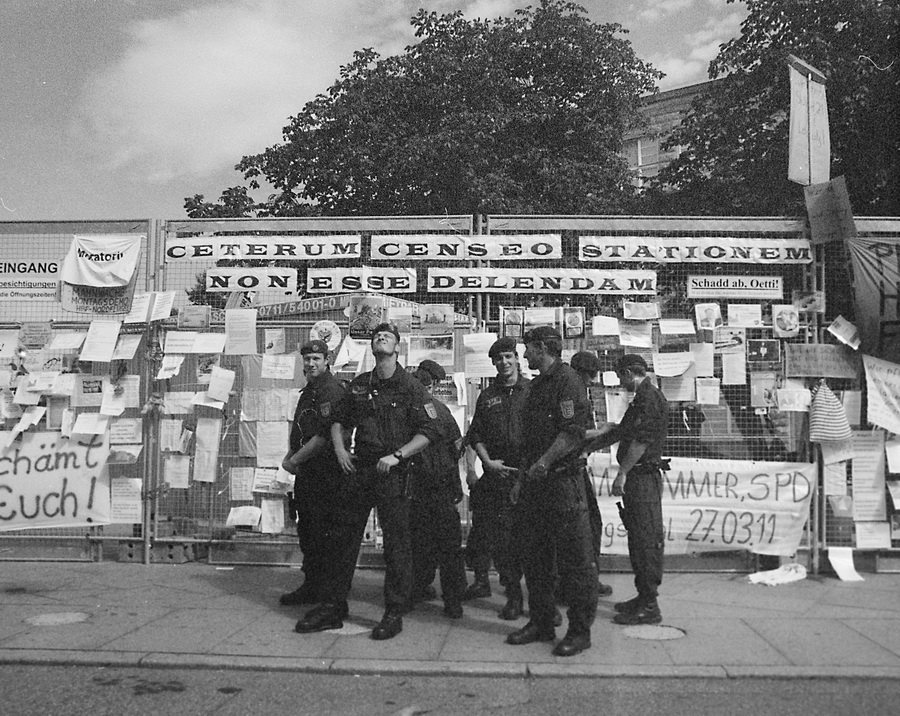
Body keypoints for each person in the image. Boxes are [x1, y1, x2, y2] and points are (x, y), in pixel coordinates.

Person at [294, 323, 440, 640]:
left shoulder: (411, 387)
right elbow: (337, 421)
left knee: (396, 546)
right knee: (342, 539)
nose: (381, 337)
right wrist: (340, 451)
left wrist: (398, 456)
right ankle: (333, 608)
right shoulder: (361, 385)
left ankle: (394, 612)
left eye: (387, 335)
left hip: (394, 471)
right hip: (361, 469)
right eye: (376, 335)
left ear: (397, 347)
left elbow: (429, 432)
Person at [506, 326, 598, 657]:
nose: (525, 354)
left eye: (528, 348)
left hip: (562, 483)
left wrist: (545, 462)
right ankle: (542, 622)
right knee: (535, 557)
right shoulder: (536, 386)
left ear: (543, 348)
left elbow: (572, 434)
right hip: (536, 485)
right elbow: (529, 441)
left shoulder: (567, 380)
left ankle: (579, 631)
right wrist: (521, 479)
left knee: (575, 562)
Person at [590, 354, 669, 625]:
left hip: (642, 477)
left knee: (646, 540)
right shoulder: (644, 398)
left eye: (620, 378)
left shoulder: (648, 399)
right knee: (638, 538)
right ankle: (643, 596)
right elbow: (625, 431)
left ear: (626, 373)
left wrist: (622, 473)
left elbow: (640, 441)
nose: (621, 385)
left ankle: (649, 604)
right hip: (640, 478)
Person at [464, 337, 528, 621]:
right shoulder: (488, 396)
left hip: (524, 476)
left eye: (507, 357)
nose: (503, 363)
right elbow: (475, 434)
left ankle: (525, 598)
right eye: (498, 359)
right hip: (494, 474)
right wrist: (486, 462)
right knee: (490, 535)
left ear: (517, 358)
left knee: (520, 542)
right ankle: (494, 588)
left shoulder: (532, 391)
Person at [279, 339, 347, 608]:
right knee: (309, 531)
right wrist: (290, 457)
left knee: (323, 534)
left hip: (326, 473)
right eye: (306, 359)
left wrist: (294, 460)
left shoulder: (331, 390)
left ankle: (326, 593)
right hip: (307, 473)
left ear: (327, 360)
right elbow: (301, 428)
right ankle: (312, 586)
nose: (310, 363)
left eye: (316, 359)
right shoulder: (310, 391)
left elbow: (324, 436)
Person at [408, 360, 467, 619]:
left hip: (425, 484)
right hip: (436, 484)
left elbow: (455, 448)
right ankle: (449, 597)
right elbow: (457, 448)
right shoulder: (441, 410)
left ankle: (428, 591)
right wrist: (456, 483)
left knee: (427, 543)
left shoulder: (418, 409)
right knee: (441, 545)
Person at [569, 350, 614, 599]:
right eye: (590, 375)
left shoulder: (577, 392)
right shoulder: (572, 394)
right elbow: (573, 433)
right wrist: (603, 432)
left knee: (590, 525)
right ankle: (584, 582)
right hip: (571, 470)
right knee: (587, 527)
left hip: (577, 464)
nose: (593, 381)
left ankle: (587, 579)